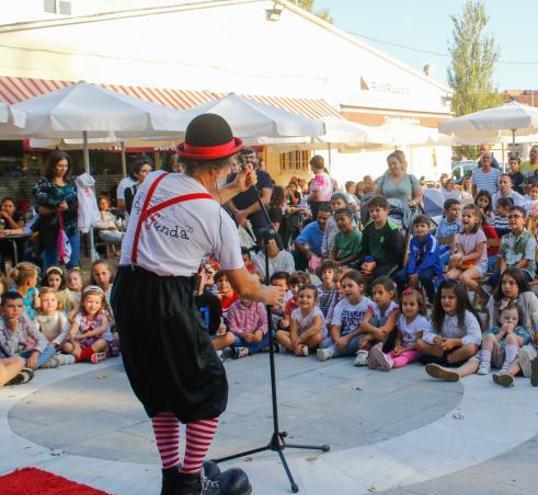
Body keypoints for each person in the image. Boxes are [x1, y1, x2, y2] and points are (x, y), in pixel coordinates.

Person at [111, 114, 281, 494]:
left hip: (126, 292)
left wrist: (232, 189)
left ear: (185, 157)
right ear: (227, 163)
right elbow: (244, 287)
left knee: (158, 387)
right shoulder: (218, 221)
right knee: (208, 385)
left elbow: (188, 205)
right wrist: (271, 294)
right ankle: (190, 483)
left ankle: (172, 477)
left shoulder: (153, 182)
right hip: (167, 300)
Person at [418, 279, 482, 382]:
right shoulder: (437, 314)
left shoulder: (467, 315)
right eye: (443, 297)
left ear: (459, 299)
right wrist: (435, 339)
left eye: (451, 297)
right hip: (443, 348)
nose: (446, 301)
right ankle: (447, 361)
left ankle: (444, 361)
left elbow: (477, 337)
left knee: (472, 348)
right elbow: (427, 333)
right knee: (419, 342)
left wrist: (457, 342)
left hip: (460, 348)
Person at [33, 150, 79, 269]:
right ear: (52, 166)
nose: (63, 169)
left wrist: (71, 208)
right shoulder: (43, 183)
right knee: (51, 266)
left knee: (73, 265)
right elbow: (39, 208)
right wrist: (56, 209)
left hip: (71, 227)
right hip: (51, 229)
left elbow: (77, 204)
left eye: (66, 166)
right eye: (60, 166)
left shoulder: (71, 182)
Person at [316, 270, 375, 361]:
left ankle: (330, 352)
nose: (346, 289)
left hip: (358, 335)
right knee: (324, 344)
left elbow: (363, 328)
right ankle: (346, 350)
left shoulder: (369, 305)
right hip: (344, 334)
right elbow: (335, 327)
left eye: (350, 286)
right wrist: (338, 340)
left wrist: (347, 338)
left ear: (361, 287)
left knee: (360, 340)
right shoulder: (340, 304)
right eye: (343, 287)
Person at [367, 288, 429, 371]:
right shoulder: (402, 318)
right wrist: (397, 346)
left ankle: (392, 363)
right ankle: (378, 361)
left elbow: (418, 343)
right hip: (403, 347)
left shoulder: (421, 321)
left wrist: (404, 350)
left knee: (405, 356)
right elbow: (399, 337)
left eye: (412, 304)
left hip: (416, 350)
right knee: (392, 352)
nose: (408, 307)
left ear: (419, 307)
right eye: (405, 304)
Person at [0, 291, 56, 372]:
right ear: (1, 309)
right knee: (19, 360)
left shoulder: (23, 317)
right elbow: (10, 352)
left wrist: (35, 353)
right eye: (10, 306)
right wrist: (13, 330)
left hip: (23, 355)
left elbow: (41, 338)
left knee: (50, 348)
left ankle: (26, 367)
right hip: (7, 359)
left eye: (19, 306)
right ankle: (30, 366)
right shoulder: (1, 323)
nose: (16, 309)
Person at [227, 147, 275, 238]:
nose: (249, 159)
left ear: (256, 159)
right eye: (246, 157)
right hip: (238, 223)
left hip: (259, 224)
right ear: (240, 160)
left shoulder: (263, 175)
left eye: (251, 157)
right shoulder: (233, 177)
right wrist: (237, 213)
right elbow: (227, 197)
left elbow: (266, 199)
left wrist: (244, 213)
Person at [398, 215, 443, 299]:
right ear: (413, 228)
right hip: (417, 265)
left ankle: (433, 299)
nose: (419, 228)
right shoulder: (413, 240)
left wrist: (417, 273)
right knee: (399, 276)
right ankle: (402, 298)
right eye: (416, 226)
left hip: (431, 266)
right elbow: (412, 257)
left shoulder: (432, 240)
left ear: (428, 227)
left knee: (424, 277)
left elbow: (430, 259)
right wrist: (411, 273)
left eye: (422, 226)